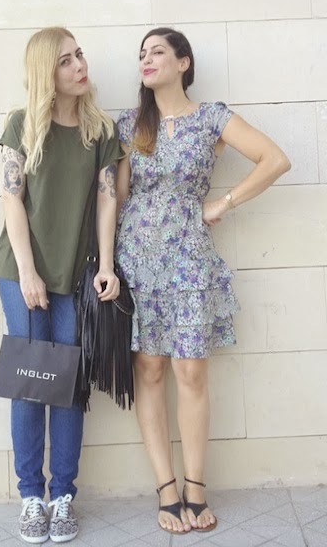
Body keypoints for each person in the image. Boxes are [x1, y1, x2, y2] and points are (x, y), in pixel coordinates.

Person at [114, 27, 290, 535]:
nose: (147, 60)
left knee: (190, 372)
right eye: (141, 54)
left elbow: (275, 160)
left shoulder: (211, 117)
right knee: (149, 370)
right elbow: (116, 198)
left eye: (157, 52)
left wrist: (224, 202)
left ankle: (196, 486)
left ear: (183, 62)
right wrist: (107, 261)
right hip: (138, 261)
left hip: (190, 259)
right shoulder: (130, 124)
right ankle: (166, 490)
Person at [0, 27, 121, 544]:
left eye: (79, 55)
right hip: (20, 268)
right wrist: (28, 272)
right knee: (29, 381)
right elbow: (11, 199)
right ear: (46, 72)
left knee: (69, 385)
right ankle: (31, 495)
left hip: (76, 273)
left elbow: (109, 199)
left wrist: (106, 265)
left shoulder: (101, 129)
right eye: (65, 60)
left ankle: (62, 495)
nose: (79, 65)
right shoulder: (22, 123)